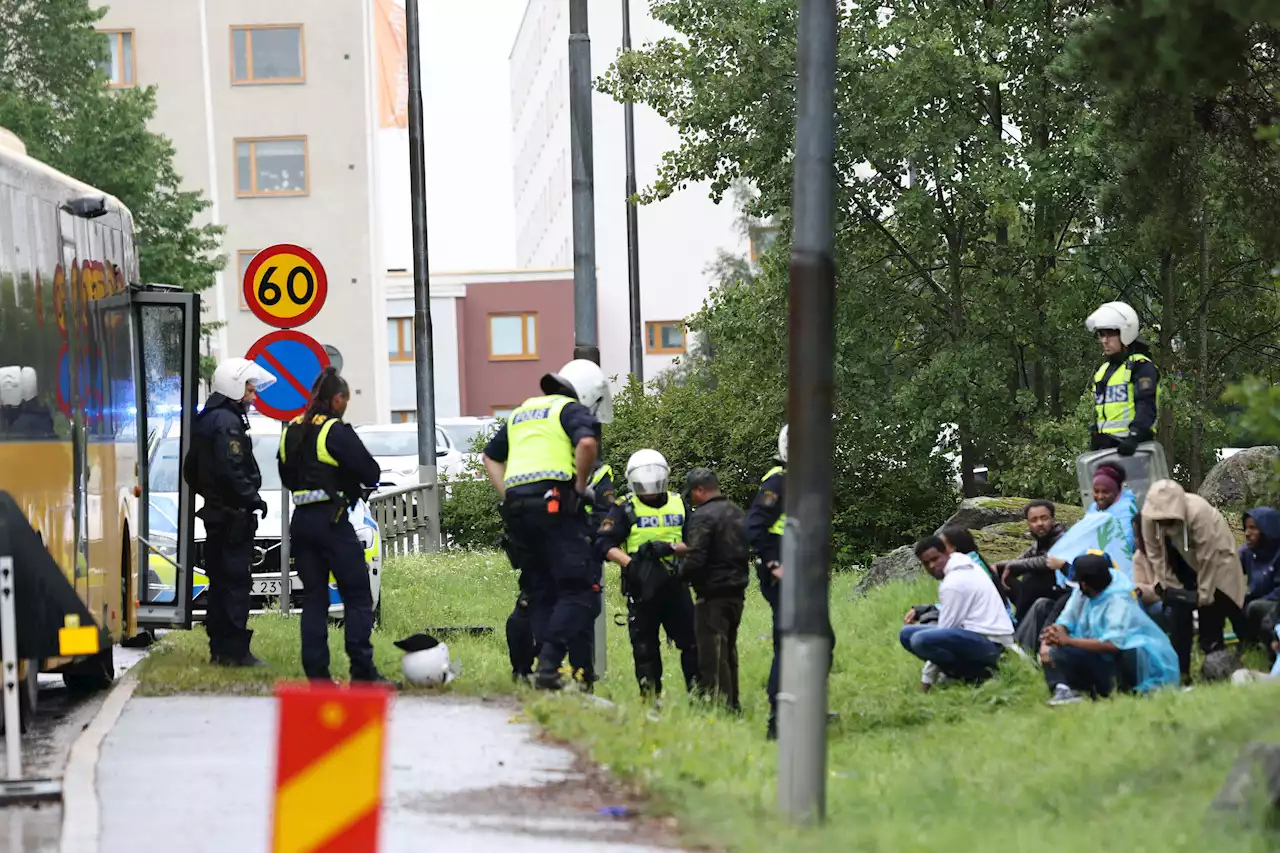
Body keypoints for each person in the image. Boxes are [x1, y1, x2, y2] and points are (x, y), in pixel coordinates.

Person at [482, 359, 612, 691]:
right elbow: (586, 444)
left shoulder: (522, 411)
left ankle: (538, 668)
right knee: (578, 589)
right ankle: (550, 665)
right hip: (554, 506)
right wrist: (579, 488)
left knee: (539, 588)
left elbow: (490, 457)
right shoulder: (569, 410)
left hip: (519, 511)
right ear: (586, 393)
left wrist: (508, 496)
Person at [278, 367, 388, 684]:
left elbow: (286, 477)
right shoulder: (333, 431)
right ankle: (362, 671)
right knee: (357, 596)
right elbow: (371, 472)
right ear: (337, 399)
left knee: (314, 600)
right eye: (346, 400)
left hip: (300, 523)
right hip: (332, 522)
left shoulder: (292, 431)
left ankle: (318, 677)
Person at [745, 424, 836, 739]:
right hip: (786, 579)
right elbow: (754, 527)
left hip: (808, 577)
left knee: (821, 642)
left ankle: (809, 707)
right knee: (791, 645)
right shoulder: (778, 482)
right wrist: (774, 565)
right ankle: (779, 718)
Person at [182, 358, 274, 667]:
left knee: (220, 582)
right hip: (233, 517)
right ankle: (234, 650)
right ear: (234, 387)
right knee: (235, 583)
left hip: (216, 515)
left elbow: (190, 471)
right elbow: (233, 468)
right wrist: (250, 499)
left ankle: (219, 647)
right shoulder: (227, 423)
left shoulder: (206, 420)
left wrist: (211, 497)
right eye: (249, 389)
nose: (252, 396)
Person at [595, 449, 699, 698]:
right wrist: (631, 564)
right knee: (644, 648)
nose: (650, 490)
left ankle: (699, 696)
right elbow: (603, 544)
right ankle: (651, 700)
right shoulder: (624, 508)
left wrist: (672, 549)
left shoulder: (678, 503)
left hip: (676, 584)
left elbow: (696, 541)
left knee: (693, 644)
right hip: (642, 588)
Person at [504, 459, 614, 684]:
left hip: (578, 553)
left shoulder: (599, 473)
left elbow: (606, 516)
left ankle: (581, 678)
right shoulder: (544, 469)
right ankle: (524, 672)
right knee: (524, 615)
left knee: (580, 617)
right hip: (544, 551)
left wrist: (585, 532)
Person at [1138, 479, 1248, 679]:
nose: (1162, 522)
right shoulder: (1148, 516)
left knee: (1212, 615)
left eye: (1167, 518)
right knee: (1179, 618)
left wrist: (1204, 595)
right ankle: (1182, 672)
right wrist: (1172, 588)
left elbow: (1209, 558)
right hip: (1178, 558)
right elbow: (1155, 554)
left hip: (1215, 559)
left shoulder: (1199, 512)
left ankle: (1216, 668)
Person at [1040, 552, 1180, 705]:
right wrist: (1051, 636)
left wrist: (1068, 641)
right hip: (1096, 651)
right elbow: (1067, 618)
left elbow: (1113, 644)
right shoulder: (1084, 592)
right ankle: (1065, 690)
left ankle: (1119, 688)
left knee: (1127, 652)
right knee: (1054, 649)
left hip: (1122, 659)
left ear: (1085, 584)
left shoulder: (1118, 601)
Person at [900, 535, 1015, 691]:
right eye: (926, 563)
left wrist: (926, 683)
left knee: (921, 639)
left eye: (935, 559)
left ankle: (977, 675)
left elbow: (943, 634)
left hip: (995, 645)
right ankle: (958, 673)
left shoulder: (954, 582)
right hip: (974, 635)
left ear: (946, 553)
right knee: (906, 633)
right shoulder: (963, 564)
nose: (932, 566)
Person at [679, 467, 750, 711]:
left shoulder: (703, 516)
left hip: (712, 595)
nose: (691, 499)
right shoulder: (737, 513)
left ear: (700, 490)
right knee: (729, 652)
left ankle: (721, 707)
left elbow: (696, 558)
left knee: (712, 655)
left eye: (692, 494)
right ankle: (734, 702)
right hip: (737, 593)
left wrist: (680, 575)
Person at [1084, 301, 1159, 455]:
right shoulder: (1103, 371)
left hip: (1135, 448)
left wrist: (1135, 435)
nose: (1104, 340)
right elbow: (1100, 411)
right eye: (1101, 334)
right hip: (1107, 449)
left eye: (1110, 334)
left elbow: (1146, 404)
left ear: (1125, 333)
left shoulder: (1141, 366)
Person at [995, 500, 1067, 623]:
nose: (1039, 523)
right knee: (999, 573)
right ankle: (1007, 617)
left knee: (1031, 578)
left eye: (1044, 518)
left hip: (1060, 591)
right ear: (1028, 523)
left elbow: (1046, 560)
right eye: (1034, 520)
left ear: (1053, 520)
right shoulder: (1039, 542)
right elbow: (1022, 560)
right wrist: (998, 566)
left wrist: (1011, 566)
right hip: (1037, 592)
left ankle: (1020, 620)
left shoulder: (1063, 537)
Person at [1239, 506, 1280, 652]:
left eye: (1253, 528)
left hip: (1276, 605)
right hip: (1258, 600)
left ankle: (1269, 644)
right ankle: (1248, 643)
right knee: (1233, 601)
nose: (1247, 533)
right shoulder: (1247, 552)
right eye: (1246, 528)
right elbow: (1228, 571)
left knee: (1254, 606)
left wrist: (1258, 600)